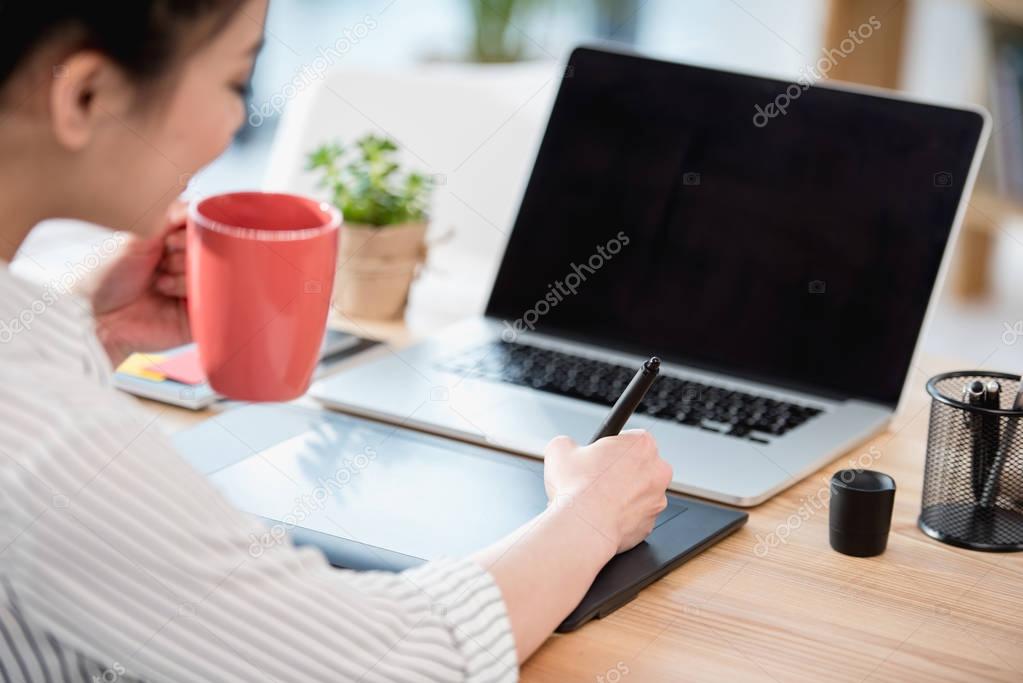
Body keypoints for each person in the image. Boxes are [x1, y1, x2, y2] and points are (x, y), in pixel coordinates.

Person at [0, 2, 673, 681]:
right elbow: (397, 661)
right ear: (86, 96)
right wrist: (589, 516)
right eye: (236, 82)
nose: (237, 121)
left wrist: (92, 327)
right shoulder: (45, 439)